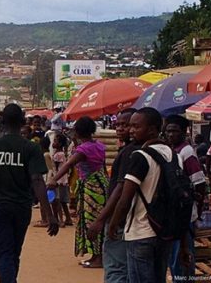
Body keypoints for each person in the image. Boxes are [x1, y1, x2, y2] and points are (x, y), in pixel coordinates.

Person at [0, 104, 59, 283]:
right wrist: (50, 214)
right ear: (22, 122)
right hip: (22, 208)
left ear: (2, 121)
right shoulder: (31, 148)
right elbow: (37, 181)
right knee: (14, 251)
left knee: (2, 253)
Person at [108, 108, 189, 283]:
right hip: (163, 231)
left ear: (152, 129)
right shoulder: (173, 156)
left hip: (140, 231)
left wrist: (113, 224)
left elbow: (125, 198)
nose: (131, 130)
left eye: (136, 127)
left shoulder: (140, 156)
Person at [48, 116, 107, 268]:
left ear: (77, 132)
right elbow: (103, 168)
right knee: (97, 220)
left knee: (90, 222)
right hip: (101, 186)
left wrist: (54, 180)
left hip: (90, 189)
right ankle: (96, 256)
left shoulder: (83, 150)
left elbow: (68, 165)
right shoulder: (99, 146)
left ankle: (98, 258)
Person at [87, 107, 136, 283]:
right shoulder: (130, 150)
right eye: (118, 125)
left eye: (126, 125)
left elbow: (120, 189)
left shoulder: (130, 152)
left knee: (116, 268)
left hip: (119, 219)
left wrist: (102, 220)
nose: (120, 129)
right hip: (128, 220)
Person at [165, 114, 206, 278]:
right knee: (174, 258)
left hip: (185, 214)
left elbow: (199, 183)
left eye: (174, 131)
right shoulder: (173, 151)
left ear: (184, 132)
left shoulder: (187, 153)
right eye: (168, 131)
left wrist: (197, 211)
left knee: (182, 257)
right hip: (175, 214)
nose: (170, 135)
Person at [50, 134, 74, 227]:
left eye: (55, 141)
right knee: (63, 201)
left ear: (60, 144)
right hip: (63, 180)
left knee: (57, 200)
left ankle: (59, 220)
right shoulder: (63, 154)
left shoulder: (58, 155)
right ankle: (68, 218)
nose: (53, 142)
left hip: (58, 180)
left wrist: (53, 179)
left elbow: (56, 169)